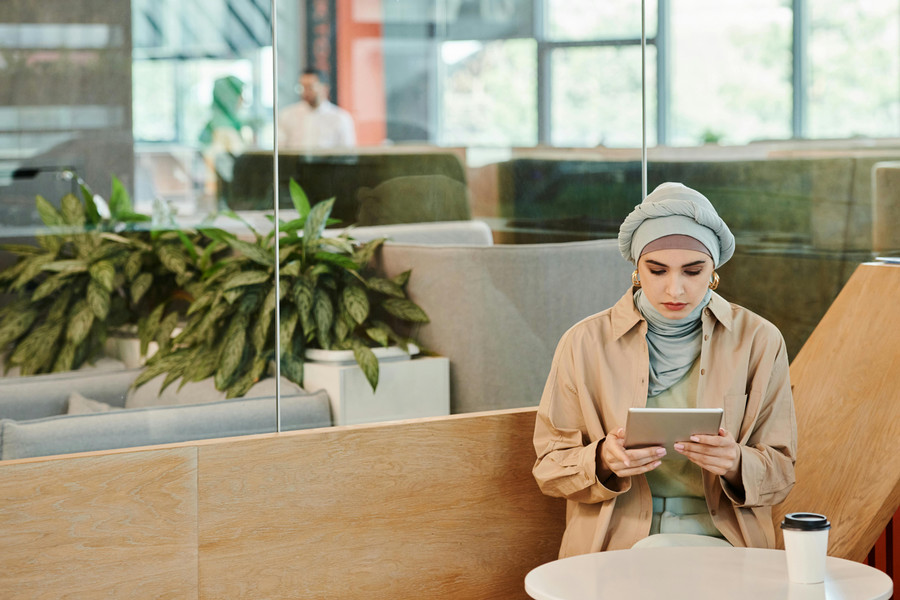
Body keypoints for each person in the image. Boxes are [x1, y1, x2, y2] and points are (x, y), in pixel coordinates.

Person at [532, 182, 797, 558]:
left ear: (714, 270)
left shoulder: (759, 340)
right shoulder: (584, 343)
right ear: (637, 269)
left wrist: (737, 462)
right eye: (657, 271)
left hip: (726, 541)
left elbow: (782, 473)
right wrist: (603, 460)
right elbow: (549, 470)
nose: (675, 290)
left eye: (693, 271)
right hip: (614, 543)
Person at [199, 75, 250, 207]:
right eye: (239, 94)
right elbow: (234, 167)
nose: (242, 100)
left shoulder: (214, 124)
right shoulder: (224, 129)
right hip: (225, 197)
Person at [278, 68, 356, 149]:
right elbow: (280, 148)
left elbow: (347, 154)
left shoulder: (340, 118)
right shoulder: (287, 114)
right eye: (302, 87)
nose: (305, 91)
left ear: (324, 88)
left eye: (310, 87)